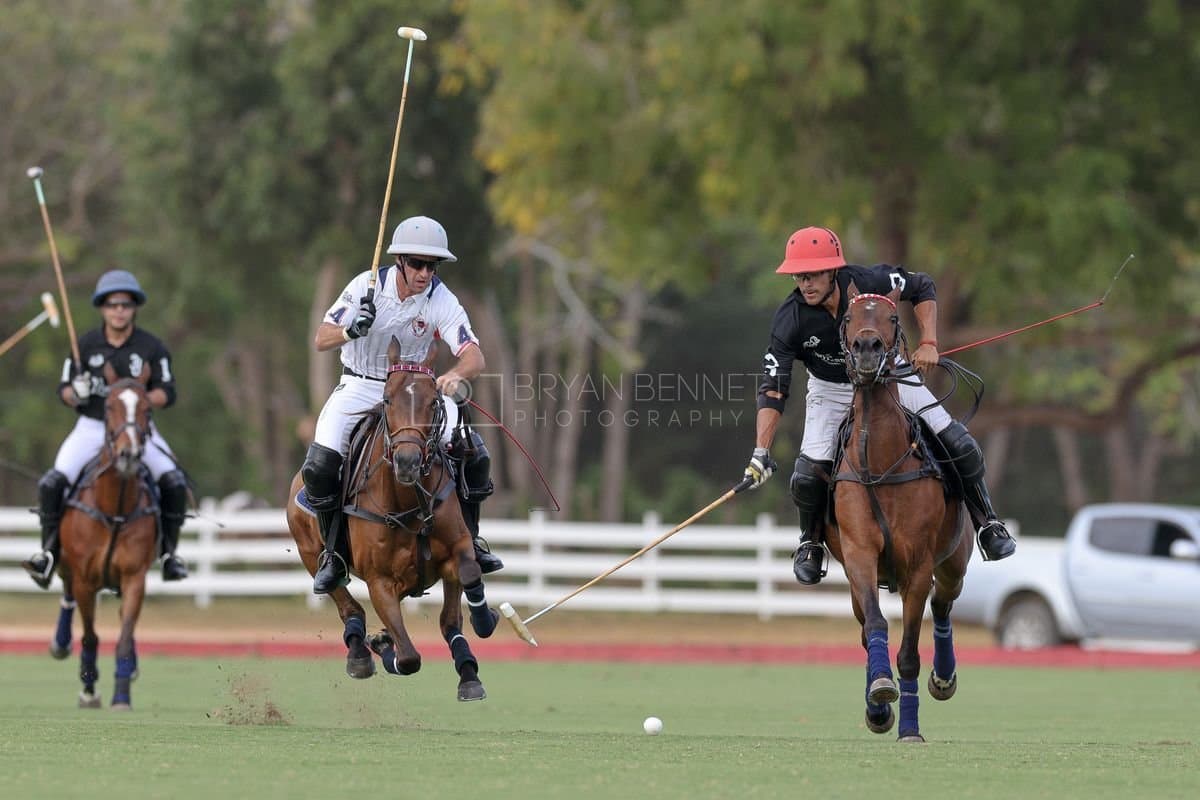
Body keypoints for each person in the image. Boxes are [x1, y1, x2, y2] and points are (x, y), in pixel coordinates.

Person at [742, 226, 1016, 585]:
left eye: (812, 274)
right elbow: (773, 388)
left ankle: (987, 523)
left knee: (960, 443)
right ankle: (810, 542)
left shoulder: (870, 281)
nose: (805, 283)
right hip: (830, 389)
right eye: (799, 275)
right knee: (807, 476)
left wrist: (930, 341)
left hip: (889, 377)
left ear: (833, 271)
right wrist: (761, 451)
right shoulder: (790, 318)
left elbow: (922, 285)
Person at [303, 215, 501, 594]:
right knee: (320, 463)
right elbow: (321, 338)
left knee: (474, 452)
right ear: (399, 262)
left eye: (432, 265)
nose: (425, 273)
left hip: (416, 393)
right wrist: (351, 329)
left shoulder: (441, 299)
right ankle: (335, 554)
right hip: (361, 385)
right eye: (417, 264)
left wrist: (457, 374)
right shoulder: (366, 286)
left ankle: (470, 541)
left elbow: (474, 356)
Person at [21, 269, 190, 588]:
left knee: (174, 481)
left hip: (138, 430)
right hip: (91, 427)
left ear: (134, 307)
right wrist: (78, 392)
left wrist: (139, 398)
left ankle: (169, 554)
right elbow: (64, 391)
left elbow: (167, 393)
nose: (119, 310)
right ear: (102, 307)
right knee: (51, 483)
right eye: (112, 304)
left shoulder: (151, 347)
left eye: (125, 304)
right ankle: (48, 553)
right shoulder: (84, 344)